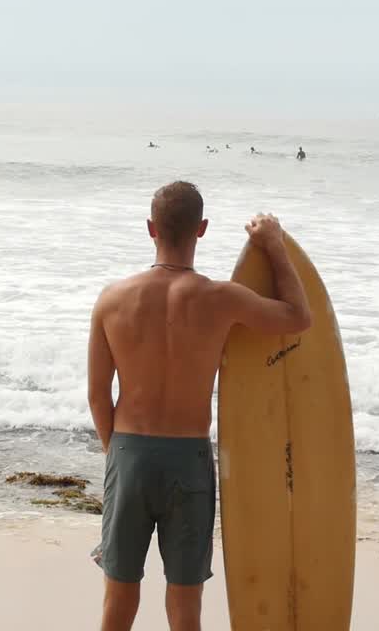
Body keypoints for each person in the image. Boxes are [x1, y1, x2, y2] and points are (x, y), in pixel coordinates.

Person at [88, 182, 312, 631]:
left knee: (119, 597)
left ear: (151, 228)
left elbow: (98, 396)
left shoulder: (111, 300)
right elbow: (298, 317)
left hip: (129, 453)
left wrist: (118, 454)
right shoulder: (220, 298)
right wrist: (274, 245)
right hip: (187, 461)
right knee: (186, 603)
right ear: (202, 229)